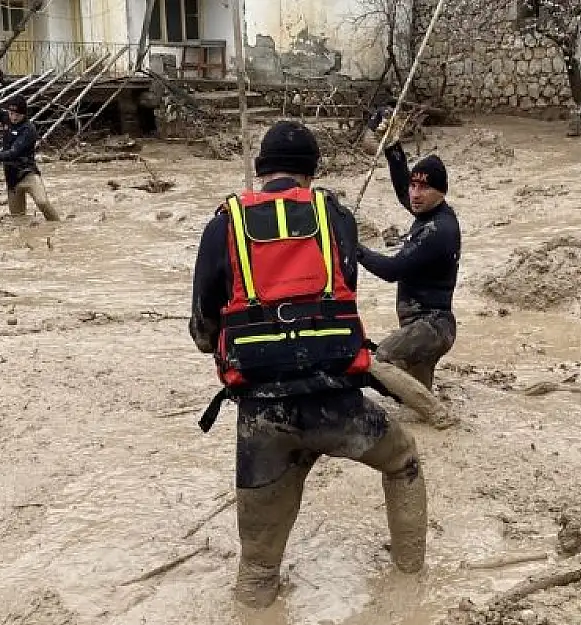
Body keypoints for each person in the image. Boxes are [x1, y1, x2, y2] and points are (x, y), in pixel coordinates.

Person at [189, 120, 428, 609]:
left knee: (257, 570)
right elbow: (342, 296)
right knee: (403, 461)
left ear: (260, 169)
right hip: (338, 404)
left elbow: (202, 329)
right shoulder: (336, 217)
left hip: (262, 417)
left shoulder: (222, 226)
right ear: (313, 171)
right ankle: (413, 586)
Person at [358, 108, 461, 392]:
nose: (414, 193)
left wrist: (354, 248)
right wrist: (392, 147)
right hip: (421, 326)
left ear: (441, 192)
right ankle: (434, 421)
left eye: (423, 188)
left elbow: (392, 270)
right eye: (414, 185)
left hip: (431, 327)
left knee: (383, 360)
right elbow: (403, 188)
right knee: (416, 395)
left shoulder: (438, 230)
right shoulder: (428, 213)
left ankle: (440, 419)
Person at [0, 94, 59, 221]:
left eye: (17, 115)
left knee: (42, 202)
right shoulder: (6, 119)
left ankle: (56, 225)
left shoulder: (28, 130)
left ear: (24, 114)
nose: (13, 117)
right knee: (18, 219)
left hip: (27, 173)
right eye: (11, 113)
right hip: (12, 178)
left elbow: (14, 152)